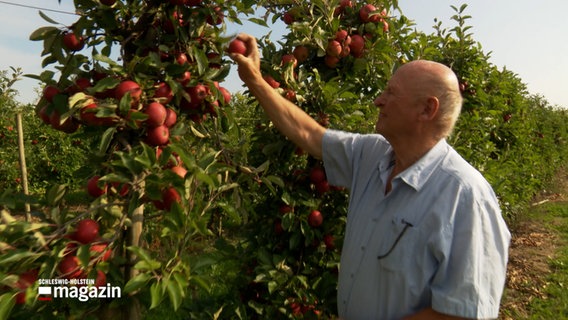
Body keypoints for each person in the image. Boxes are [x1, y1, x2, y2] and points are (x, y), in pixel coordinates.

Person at [230, 33, 511, 320]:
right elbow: (309, 135)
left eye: (391, 93)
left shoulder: (464, 196)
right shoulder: (371, 155)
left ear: (427, 109)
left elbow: (462, 313)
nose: (379, 100)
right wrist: (255, 80)